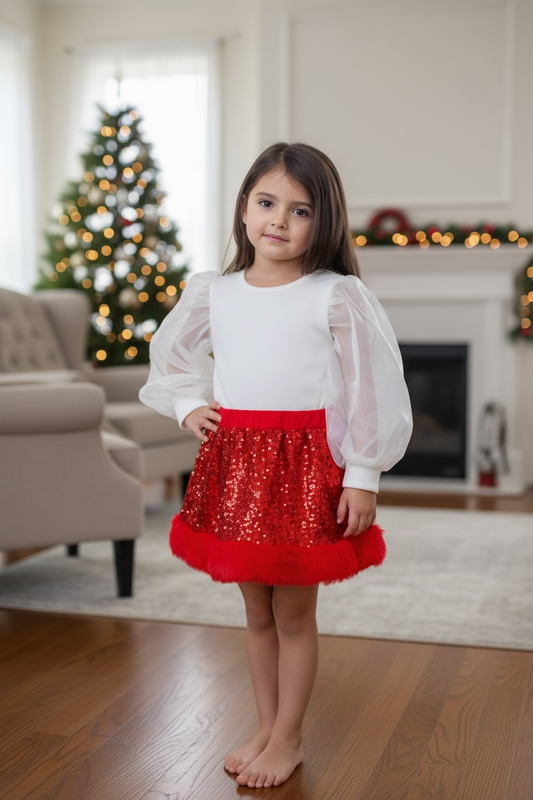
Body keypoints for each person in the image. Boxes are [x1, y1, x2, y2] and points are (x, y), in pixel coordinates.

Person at [139, 142, 412, 789]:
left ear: (324, 223)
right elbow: (168, 354)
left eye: (299, 210)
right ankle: (266, 726)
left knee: (292, 614)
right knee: (255, 613)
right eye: (266, 203)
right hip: (237, 466)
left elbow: (369, 386)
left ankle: (287, 737)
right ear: (243, 208)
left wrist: (362, 474)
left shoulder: (335, 296)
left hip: (302, 467)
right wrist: (186, 405)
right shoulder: (216, 291)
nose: (278, 221)